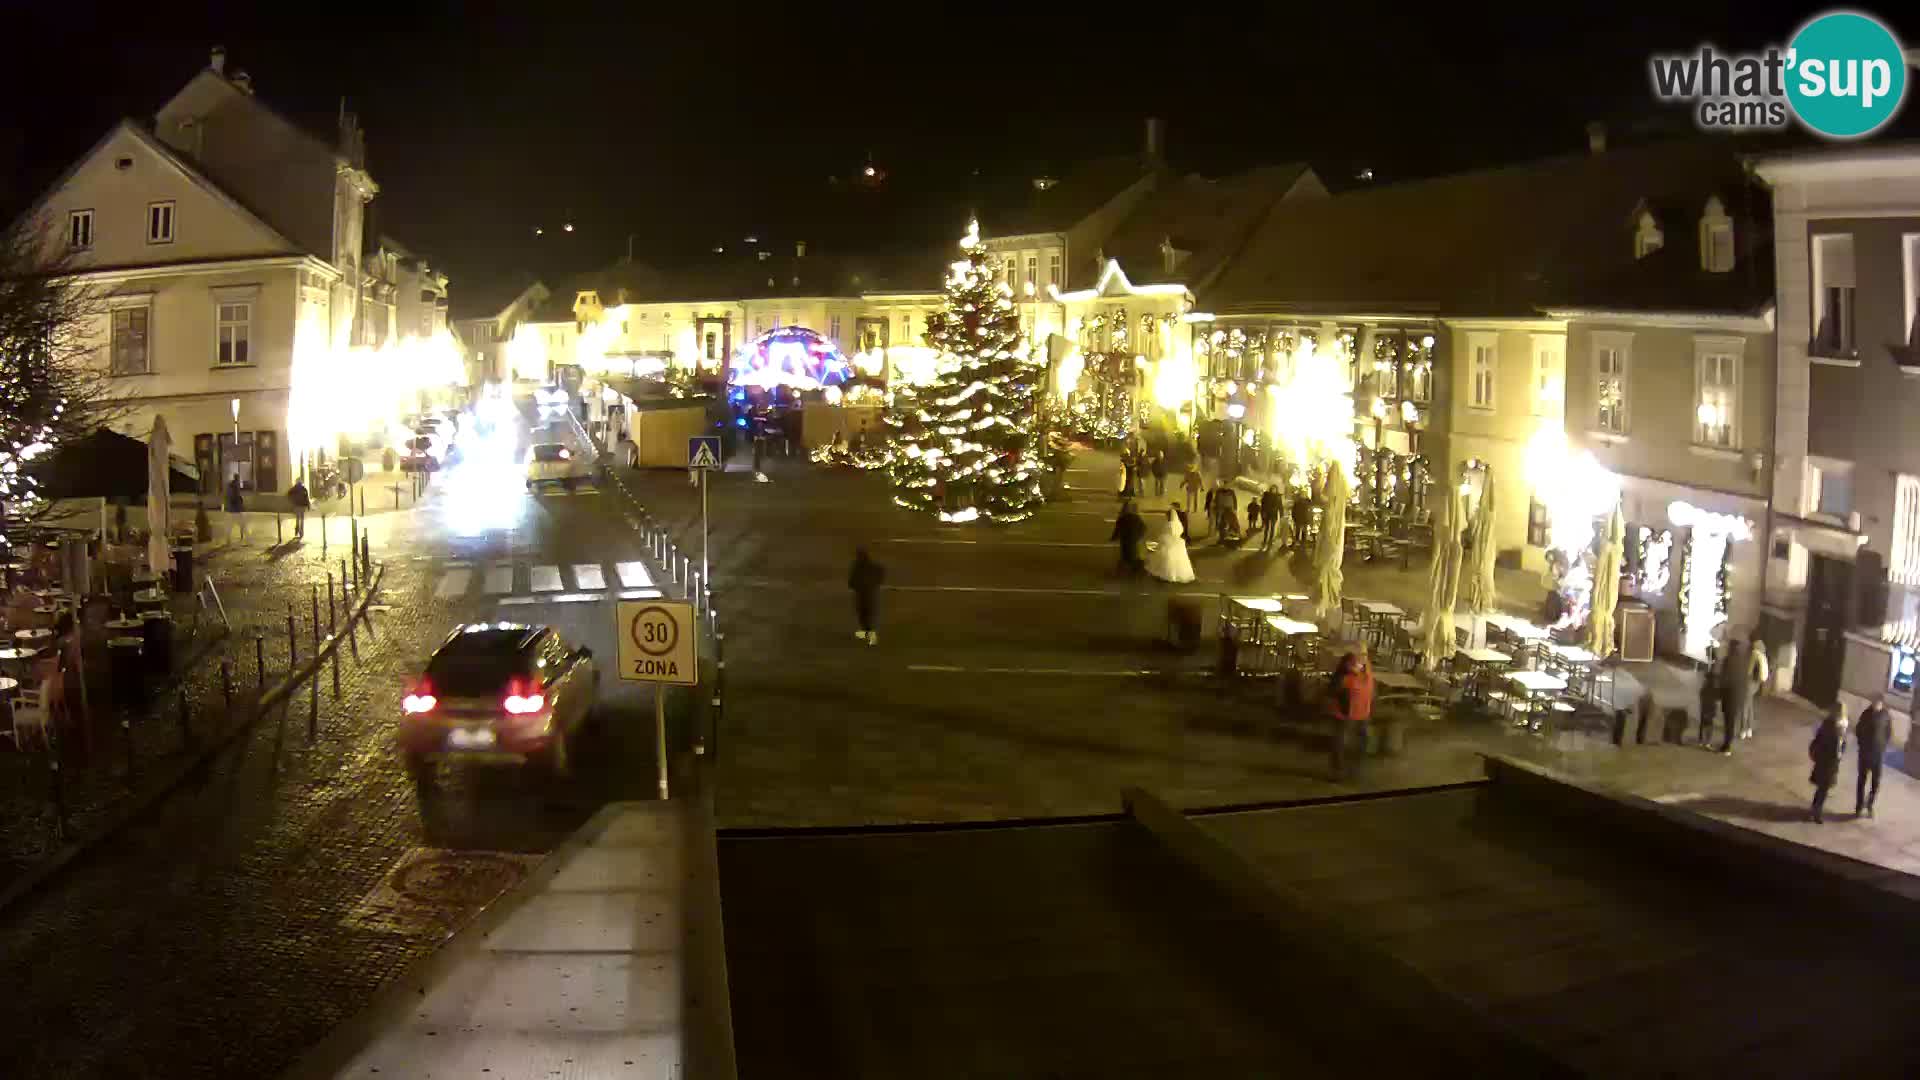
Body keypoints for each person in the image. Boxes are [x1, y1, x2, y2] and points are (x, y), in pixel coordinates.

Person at [1328, 648, 1376, 780]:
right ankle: (1338, 772)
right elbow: (1334, 691)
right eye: (1361, 655)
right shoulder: (1345, 676)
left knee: (1361, 743)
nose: (1363, 659)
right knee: (1341, 743)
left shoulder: (1366, 672)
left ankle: (1353, 771)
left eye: (1365, 655)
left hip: (1361, 714)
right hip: (1345, 714)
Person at [1855, 694, 1891, 818]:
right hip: (1865, 754)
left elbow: (1888, 732)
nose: (1875, 704)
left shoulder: (1886, 716)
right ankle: (1859, 806)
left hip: (1878, 755)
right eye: (1873, 702)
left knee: (1875, 783)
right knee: (1861, 781)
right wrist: (1862, 745)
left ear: (1881, 703)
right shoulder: (1866, 714)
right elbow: (1858, 730)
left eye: (1877, 703)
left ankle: (1870, 804)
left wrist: (1883, 746)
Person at [1808, 702, 1844, 824]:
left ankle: (1814, 811)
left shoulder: (1828, 724)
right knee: (1823, 790)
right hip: (1828, 764)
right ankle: (1816, 813)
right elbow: (1835, 747)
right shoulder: (1834, 727)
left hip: (1824, 762)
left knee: (1821, 789)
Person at [1718, 636, 1751, 755]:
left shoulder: (1728, 660)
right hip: (1738, 696)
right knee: (1731, 721)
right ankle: (1728, 744)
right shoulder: (1744, 662)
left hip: (1729, 696)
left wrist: (1720, 693)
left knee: (1728, 721)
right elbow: (1746, 680)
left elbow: (1724, 679)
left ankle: (1727, 746)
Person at [1146, 505, 1195, 584]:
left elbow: (1165, 533)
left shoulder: (1169, 524)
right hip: (1178, 542)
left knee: (1163, 554)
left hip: (1169, 541)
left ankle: (1167, 574)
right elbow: (1180, 532)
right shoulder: (1179, 524)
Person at [848, 547, 884, 645]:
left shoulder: (857, 567)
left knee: (864, 617)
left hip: (862, 595)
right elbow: (880, 573)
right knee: (867, 617)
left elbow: (851, 581)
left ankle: (871, 638)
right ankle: (867, 635)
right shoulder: (872, 566)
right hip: (869, 595)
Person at [1741, 633, 1769, 739]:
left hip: (1750, 683)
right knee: (1750, 706)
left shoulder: (1754, 653)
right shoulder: (1762, 651)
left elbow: (1749, 670)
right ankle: (1749, 729)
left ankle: (1743, 730)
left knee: (1745, 707)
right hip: (1757, 683)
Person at [1110, 499, 1147, 575]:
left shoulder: (1121, 519)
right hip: (1135, 541)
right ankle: (1137, 569)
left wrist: (1113, 538)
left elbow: (1117, 531)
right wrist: (1139, 537)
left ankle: (1125, 568)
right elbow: (1144, 528)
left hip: (1125, 541)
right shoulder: (1137, 518)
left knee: (1126, 555)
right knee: (1135, 555)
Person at [1696, 662, 1720, 748]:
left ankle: (1700, 740)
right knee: (1709, 725)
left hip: (1704, 707)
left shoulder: (1704, 687)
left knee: (1703, 723)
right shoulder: (1715, 687)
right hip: (1711, 708)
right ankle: (1707, 742)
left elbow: (1700, 694)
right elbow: (1718, 697)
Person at [224, 473, 247, 543]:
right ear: (237, 478)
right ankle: (243, 536)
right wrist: (240, 501)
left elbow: (228, 496)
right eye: (238, 478)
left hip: (232, 509)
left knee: (231, 524)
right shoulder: (235, 485)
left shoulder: (230, 485)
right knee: (241, 523)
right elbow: (236, 496)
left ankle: (229, 538)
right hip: (236, 509)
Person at [1260, 486, 1283, 552]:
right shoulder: (1266, 495)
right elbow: (1263, 505)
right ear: (1271, 489)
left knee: (1272, 528)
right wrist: (1263, 513)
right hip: (1267, 514)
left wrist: (1281, 515)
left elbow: (1280, 506)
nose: (1273, 490)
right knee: (1267, 528)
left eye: (1275, 489)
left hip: (1274, 515)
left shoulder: (1278, 497)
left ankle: (1270, 540)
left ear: (1276, 490)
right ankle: (1265, 539)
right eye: (1272, 489)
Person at [1290, 487, 1313, 552]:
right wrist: (1294, 517)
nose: (1303, 495)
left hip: (1305, 519)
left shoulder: (1308, 502)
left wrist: (1309, 519)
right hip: (1298, 519)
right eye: (1302, 494)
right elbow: (1294, 510)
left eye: (1304, 494)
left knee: (1304, 532)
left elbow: (1310, 511)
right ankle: (1297, 543)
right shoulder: (1297, 502)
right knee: (1297, 532)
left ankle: (1302, 544)